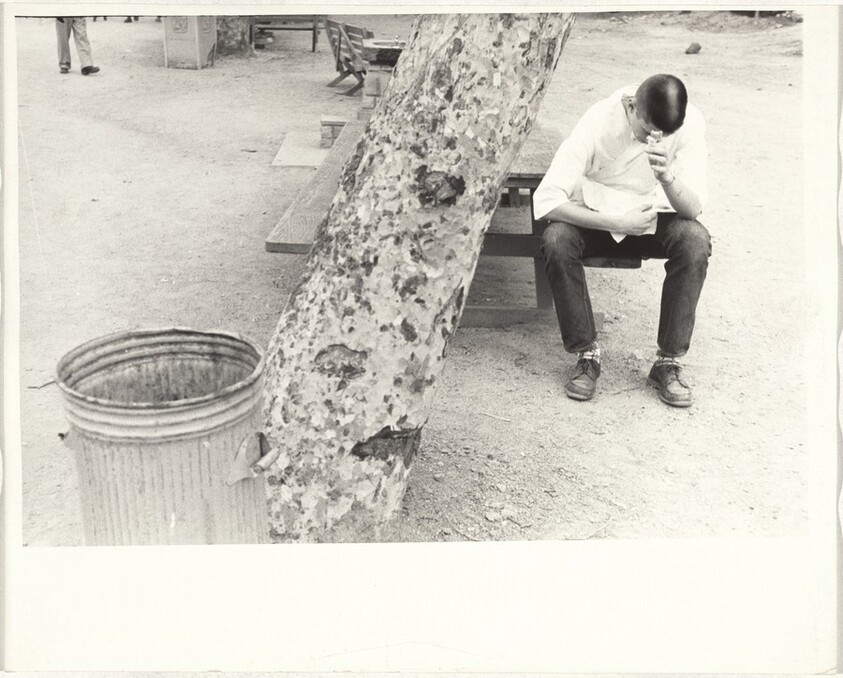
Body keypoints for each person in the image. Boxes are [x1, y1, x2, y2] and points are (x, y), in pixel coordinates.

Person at [534, 74, 710, 408]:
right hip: (600, 216)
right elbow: (546, 202)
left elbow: (694, 208)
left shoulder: (689, 126)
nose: (653, 140)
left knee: (695, 240)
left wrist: (667, 177)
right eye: (646, 131)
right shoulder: (598, 120)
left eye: (663, 134)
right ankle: (586, 354)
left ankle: (667, 363)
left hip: (652, 218)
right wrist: (615, 222)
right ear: (630, 106)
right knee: (556, 239)